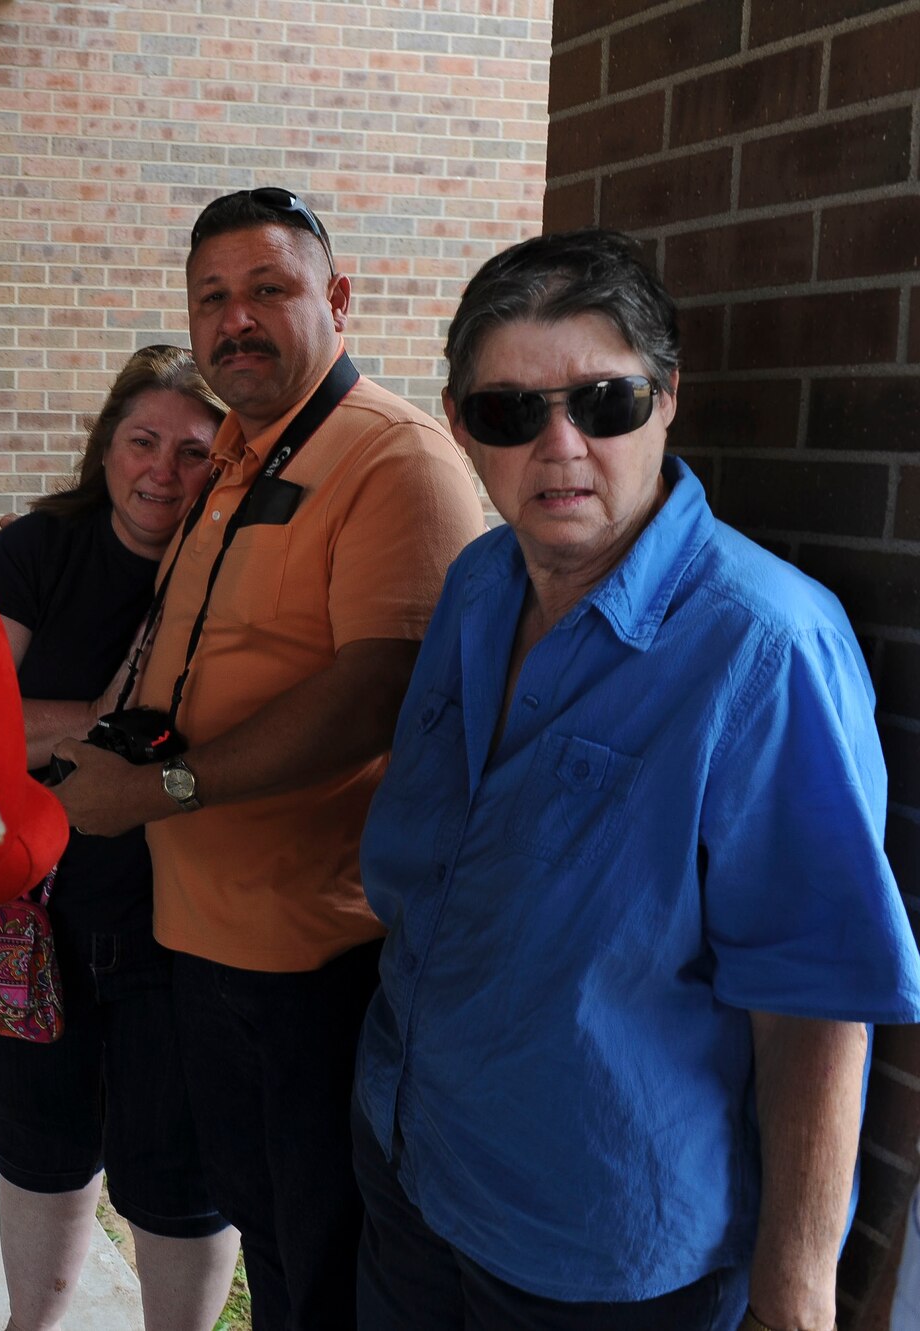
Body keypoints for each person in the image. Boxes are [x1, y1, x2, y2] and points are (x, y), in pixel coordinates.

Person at [351, 227, 920, 1331]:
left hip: (596, 1245)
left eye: (601, 401)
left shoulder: (764, 647)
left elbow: (813, 1001)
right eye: (508, 412)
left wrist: (794, 1298)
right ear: (462, 426)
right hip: (412, 1155)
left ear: (665, 400)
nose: (558, 445)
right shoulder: (477, 580)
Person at [49, 188, 486, 1331]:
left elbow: (376, 690)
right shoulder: (234, 455)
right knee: (263, 1239)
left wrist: (154, 789)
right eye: (212, 298)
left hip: (314, 957)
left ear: (336, 299)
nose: (234, 319)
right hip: (199, 935)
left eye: (267, 289)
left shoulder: (391, 457)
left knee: (325, 1261)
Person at [0, 344, 239, 1331]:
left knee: (177, 1170)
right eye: (142, 440)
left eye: (193, 451)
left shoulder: (238, 566)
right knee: (38, 1138)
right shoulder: (39, 549)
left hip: (182, 922)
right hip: (34, 914)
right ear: (106, 447)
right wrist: (98, 714)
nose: (160, 470)